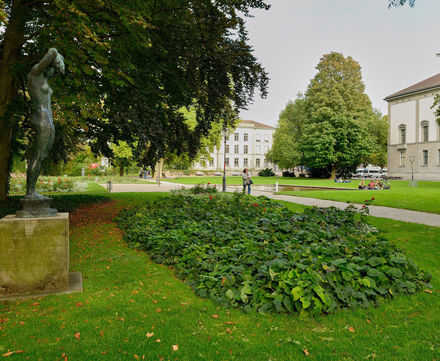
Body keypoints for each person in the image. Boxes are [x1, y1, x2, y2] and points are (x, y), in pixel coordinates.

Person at [26, 48, 65, 199]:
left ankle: (32, 191)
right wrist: (58, 59)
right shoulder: (34, 74)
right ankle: (30, 192)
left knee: (42, 156)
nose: (53, 74)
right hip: (41, 120)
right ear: (49, 66)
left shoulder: (43, 79)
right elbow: (53, 51)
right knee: (38, 155)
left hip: (47, 121)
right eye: (54, 70)